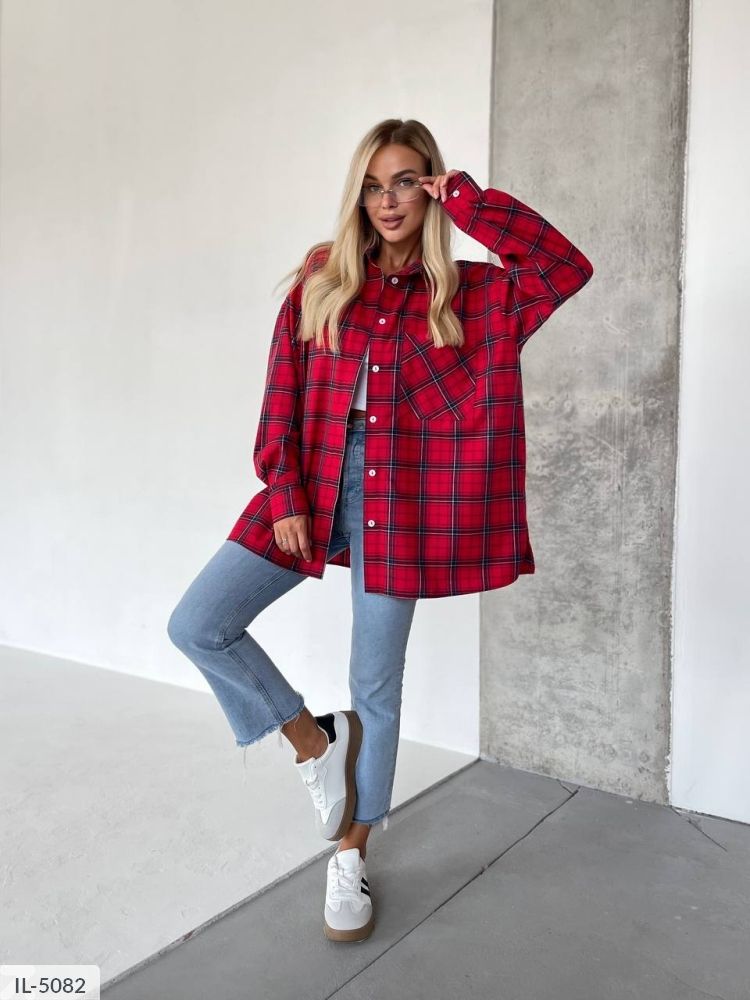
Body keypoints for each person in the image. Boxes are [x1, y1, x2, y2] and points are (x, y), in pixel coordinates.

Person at [167, 117, 594, 943]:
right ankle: (311, 741)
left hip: (404, 499)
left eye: (406, 182)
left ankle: (351, 852)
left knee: (375, 688)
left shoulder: (475, 295)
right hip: (315, 478)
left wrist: (466, 200)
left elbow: (564, 268)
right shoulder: (323, 280)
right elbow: (281, 396)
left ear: (428, 189)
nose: (388, 200)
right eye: (373, 185)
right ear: (356, 196)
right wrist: (285, 491)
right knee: (199, 624)